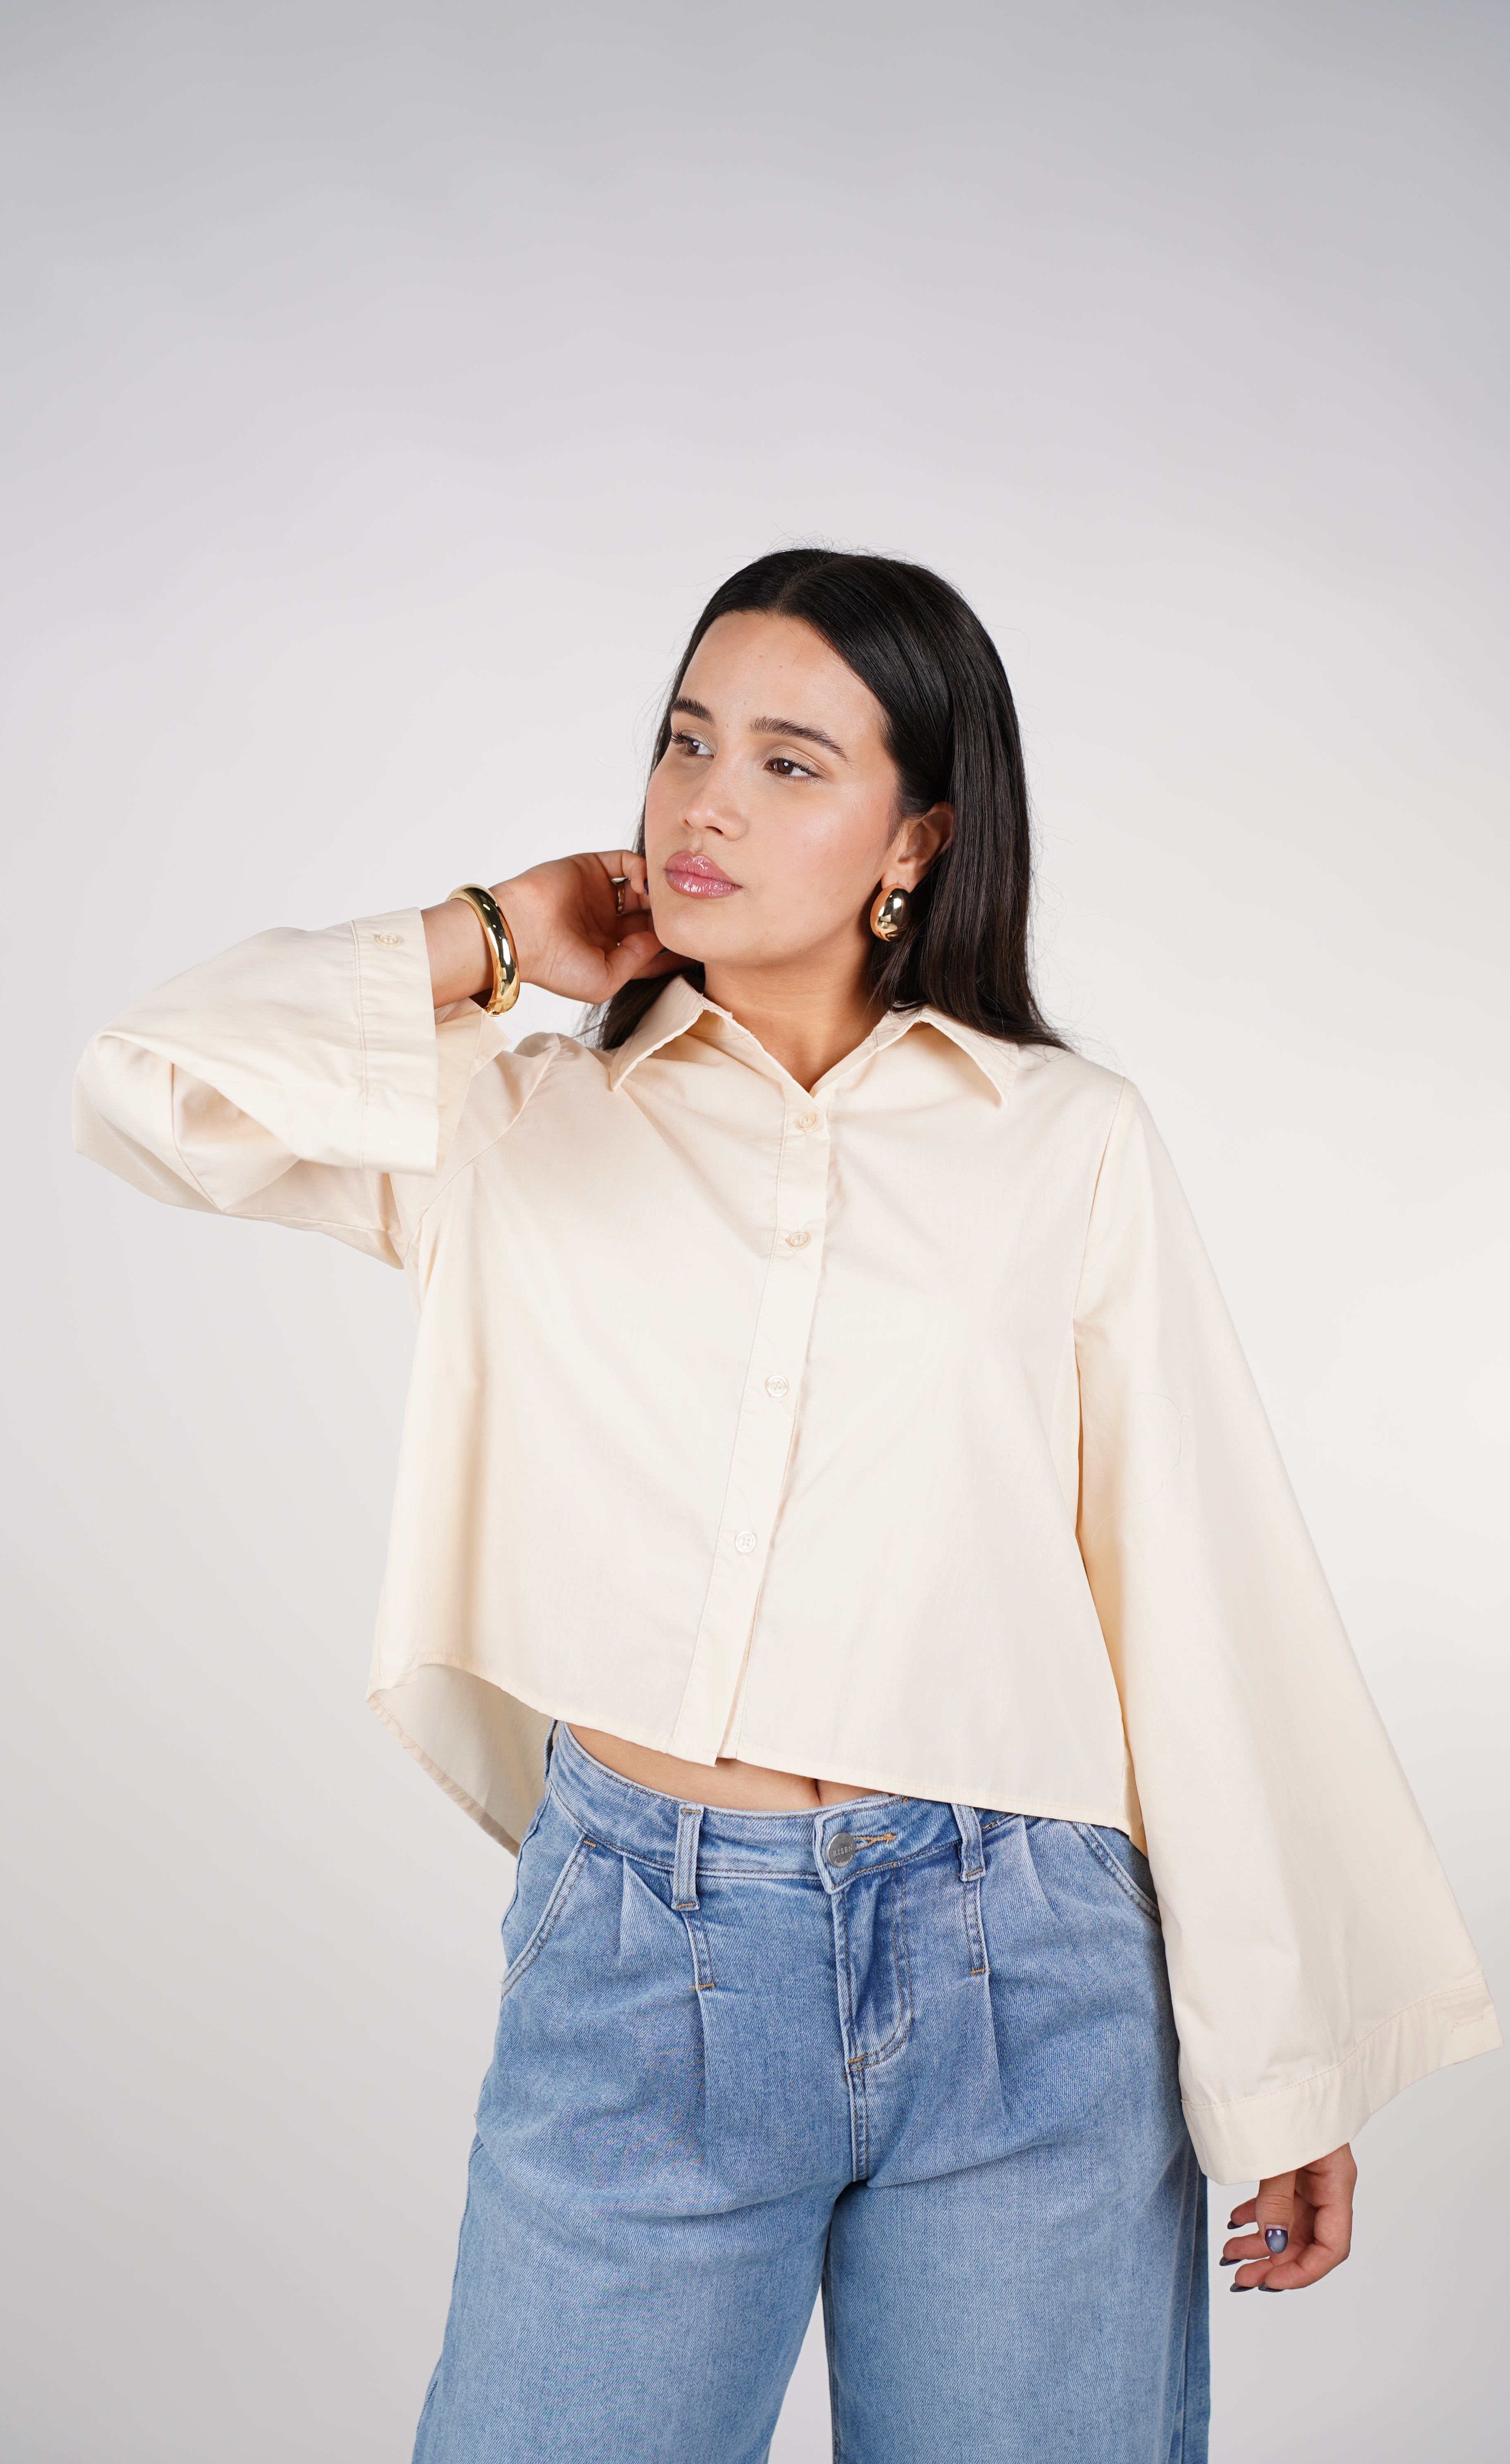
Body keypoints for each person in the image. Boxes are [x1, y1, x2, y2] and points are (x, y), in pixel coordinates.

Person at [72, 549, 1498, 2463]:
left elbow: (1198, 1583)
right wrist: (489, 933)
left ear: (918, 838)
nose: (705, 803)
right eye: (684, 743)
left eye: (787, 762)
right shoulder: (513, 1122)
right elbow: (147, 1090)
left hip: (1029, 1977)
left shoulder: (1063, 1145)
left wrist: (1285, 2061)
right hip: (641, 1954)